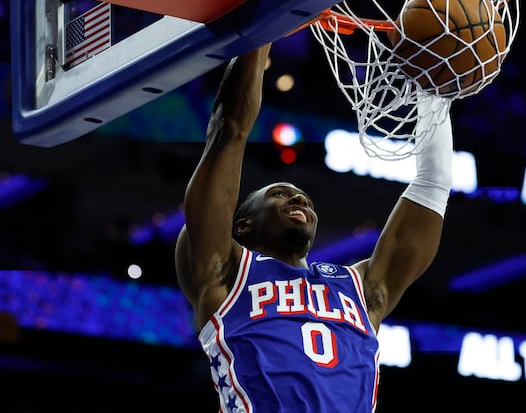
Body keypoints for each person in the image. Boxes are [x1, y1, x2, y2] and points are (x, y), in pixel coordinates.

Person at [174, 42, 453, 412]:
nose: (299, 200)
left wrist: (433, 90)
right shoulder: (225, 272)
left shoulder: (361, 289)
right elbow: (230, 129)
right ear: (241, 226)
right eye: (279, 194)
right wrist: (262, 31)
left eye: (304, 198)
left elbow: (433, 184)